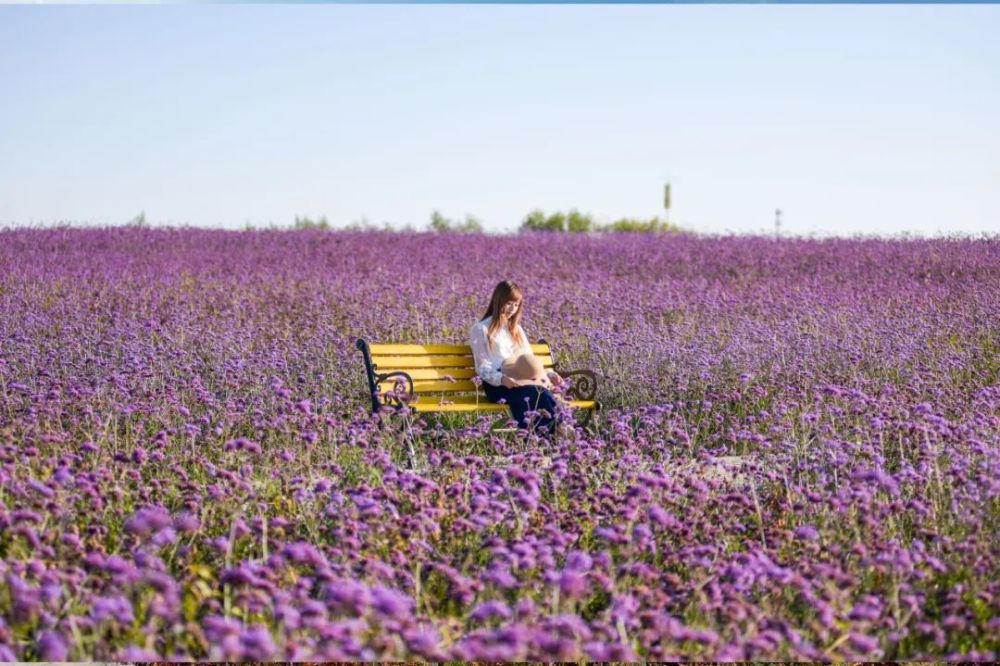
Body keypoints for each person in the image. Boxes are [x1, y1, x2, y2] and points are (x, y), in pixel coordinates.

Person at [469, 280, 564, 436]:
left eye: (516, 304)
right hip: (498, 385)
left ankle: (549, 435)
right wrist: (501, 379)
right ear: (498, 300)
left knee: (541, 393)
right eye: (509, 303)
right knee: (536, 393)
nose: (512, 309)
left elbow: (529, 361)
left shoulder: (517, 330)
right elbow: (482, 367)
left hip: (523, 379)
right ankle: (557, 431)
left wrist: (550, 374)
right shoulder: (481, 329)